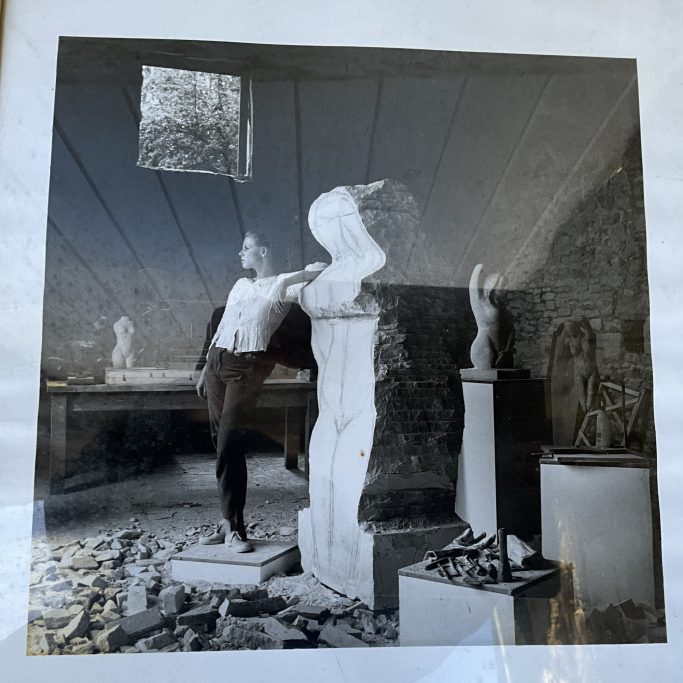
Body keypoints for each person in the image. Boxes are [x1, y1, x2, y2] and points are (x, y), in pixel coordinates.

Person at [196, 231, 326, 552]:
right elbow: (223, 326)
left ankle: (233, 529)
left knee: (229, 442)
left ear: (264, 251)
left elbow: (320, 271)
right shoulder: (241, 285)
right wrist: (204, 369)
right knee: (221, 446)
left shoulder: (283, 286)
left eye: (246, 248)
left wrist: (302, 272)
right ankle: (229, 523)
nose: (241, 253)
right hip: (216, 365)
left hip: (246, 368)